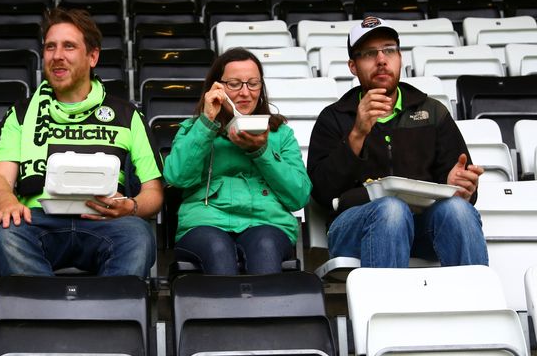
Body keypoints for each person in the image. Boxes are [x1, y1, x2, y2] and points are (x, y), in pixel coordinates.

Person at [0, 7, 164, 278]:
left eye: (69, 47)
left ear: (92, 56)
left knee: (138, 236)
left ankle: (110, 317)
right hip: (37, 220)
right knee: (6, 233)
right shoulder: (20, 114)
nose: (57, 56)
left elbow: (153, 191)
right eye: (50, 47)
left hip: (107, 221)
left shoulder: (127, 115)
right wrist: (7, 201)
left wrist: (132, 206)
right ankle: (47, 314)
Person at [306, 16, 488, 268]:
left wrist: (462, 187)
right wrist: (357, 133)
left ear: (400, 58)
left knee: (458, 210)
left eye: (389, 50)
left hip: (423, 227)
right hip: (354, 229)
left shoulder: (432, 112)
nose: (382, 60)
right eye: (369, 53)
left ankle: (475, 305)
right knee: (391, 209)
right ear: (353, 66)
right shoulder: (335, 117)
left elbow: (461, 184)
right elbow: (321, 192)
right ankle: (388, 307)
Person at [163, 48, 311, 275]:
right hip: (206, 221)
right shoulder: (195, 128)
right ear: (217, 88)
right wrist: (207, 122)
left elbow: (298, 196)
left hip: (266, 222)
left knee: (265, 247)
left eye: (253, 83)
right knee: (217, 249)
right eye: (234, 84)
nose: (245, 92)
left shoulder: (280, 133)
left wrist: (262, 151)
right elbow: (176, 177)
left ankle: (265, 312)